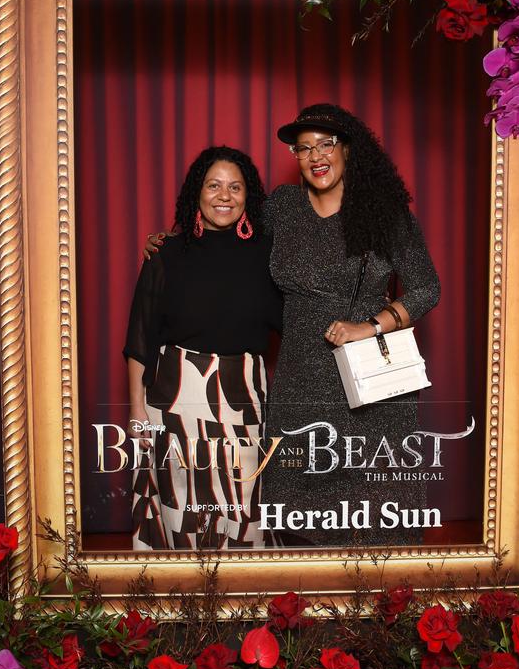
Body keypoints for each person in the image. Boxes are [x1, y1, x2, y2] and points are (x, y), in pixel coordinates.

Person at [146, 104, 440, 548]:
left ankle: (382, 612)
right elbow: (231, 230)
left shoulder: (386, 216)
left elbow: (426, 288)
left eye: (326, 143)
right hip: (300, 375)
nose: (315, 155)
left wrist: (372, 325)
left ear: (349, 150)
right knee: (298, 510)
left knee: (373, 507)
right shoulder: (282, 209)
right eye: (303, 148)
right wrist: (177, 239)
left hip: (369, 384)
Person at [124, 145, 281, 550]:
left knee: (241, 499)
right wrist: (137, 411)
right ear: (198, 192)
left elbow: (293, 323)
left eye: (235, 187)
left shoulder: (270, 255)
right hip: (175, 397)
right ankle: (179, 601)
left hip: (243, 396)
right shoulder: (165, 254)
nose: (224, 196)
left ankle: (238, 604)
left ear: (249, 197)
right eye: (214, 186)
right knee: (179, 501)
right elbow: (139, 338)